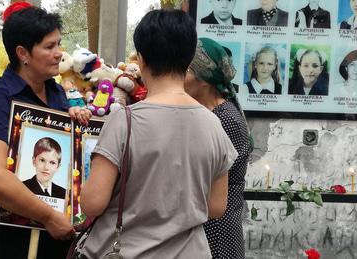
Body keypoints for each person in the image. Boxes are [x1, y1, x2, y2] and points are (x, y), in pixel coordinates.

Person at [79, 9, 238, 258]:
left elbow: (93, 202)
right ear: (188, 61)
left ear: (141, 60)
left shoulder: (124, 120)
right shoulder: (213, 124)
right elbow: (216, 207)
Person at [0, 5, 91, 259]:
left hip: (61, 233)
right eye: (49, 47)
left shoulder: (59, 93)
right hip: (17, 238)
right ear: (23, 53)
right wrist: (47, 215)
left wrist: (79, 126)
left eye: (59, 44)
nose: (59, 54)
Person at [185, 37, 251, 259]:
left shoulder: (225, 121)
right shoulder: (209, 113)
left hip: (216, 236)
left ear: (204, 78)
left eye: (185, 70)